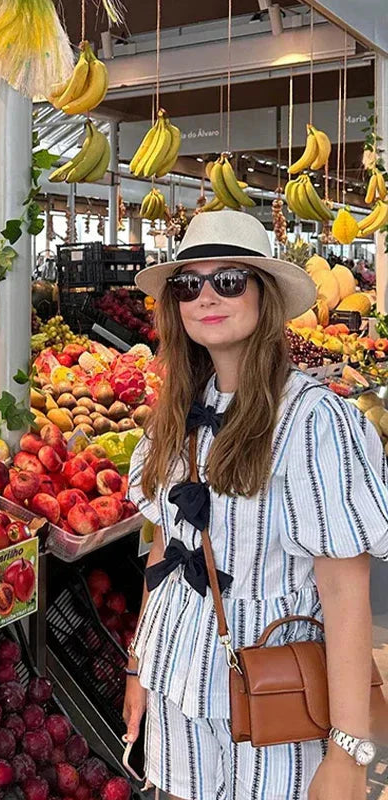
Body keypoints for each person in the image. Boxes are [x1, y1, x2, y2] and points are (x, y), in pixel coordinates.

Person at [122, 210, 385, 800]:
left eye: (230, 279)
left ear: (264, 295)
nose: (206, 296)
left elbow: (346, 594)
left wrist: (350, 752)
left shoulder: (314, 420)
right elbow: (165, 548)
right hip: (176, 691)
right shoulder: (176, 414)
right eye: (189, 284)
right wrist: (140, 666)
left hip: (273, 703)